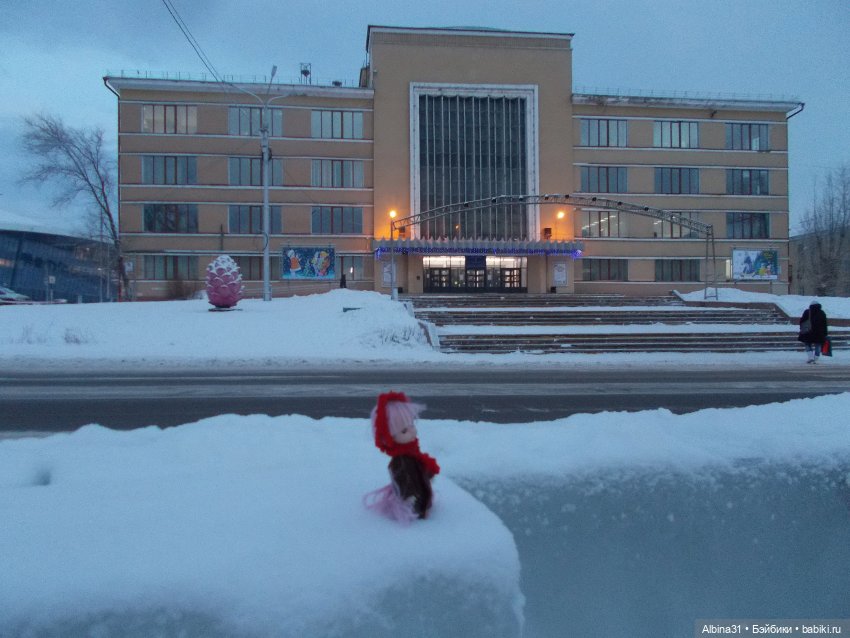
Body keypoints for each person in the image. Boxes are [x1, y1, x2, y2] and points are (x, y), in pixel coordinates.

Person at [364, 391, 440, 522]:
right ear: (389, 438)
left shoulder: (413, 453)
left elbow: (420, 468)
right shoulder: (400, 462)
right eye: (404, 431)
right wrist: (409, 496)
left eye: (412, 425)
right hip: (415, 501)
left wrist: (427, 473)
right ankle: (418, 514)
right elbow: (404, 481)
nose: (412, 432)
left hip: (421, 494)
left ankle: (423, 509)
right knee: (417, 504)